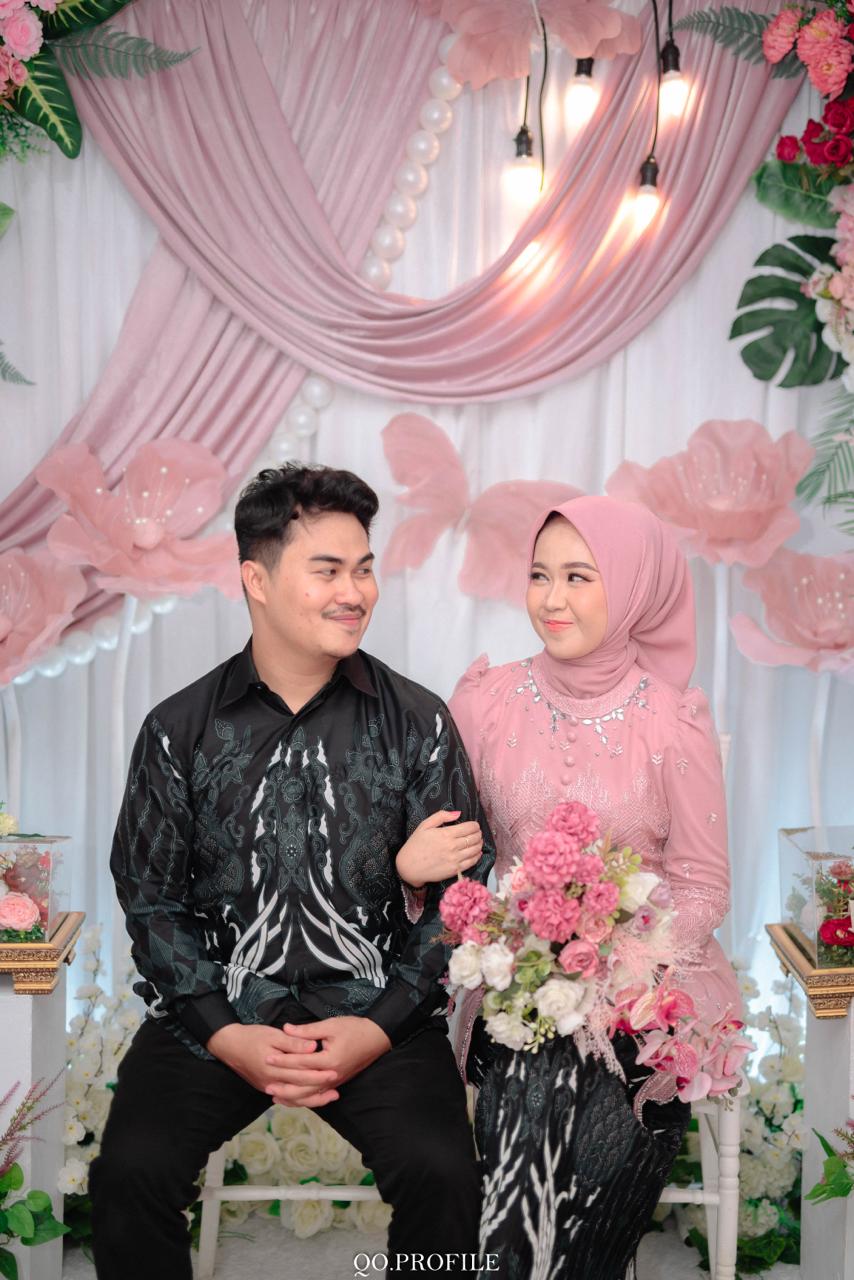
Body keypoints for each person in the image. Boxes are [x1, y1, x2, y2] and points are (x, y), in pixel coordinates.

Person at [91, 464, 494, 1279]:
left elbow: (464, 899)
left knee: (445, 1176)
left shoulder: (418, 722)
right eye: (328, 570)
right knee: (129, 1175)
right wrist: (226, 1033)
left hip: (377, 1011)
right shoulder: (178, 729)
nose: (355, 592)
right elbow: (151, 900)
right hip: (219, 1010)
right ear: (257, 579)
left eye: (364, 569)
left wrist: (378, 1026)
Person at [396, 495, 741, 1280]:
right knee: (534, 1073)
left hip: (648, 991)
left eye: (579, 577)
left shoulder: (673, 721)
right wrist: (445, 894)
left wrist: (616, 966)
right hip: (516, 985)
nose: (551, 600)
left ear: (633, 586)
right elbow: (454, 863)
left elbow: (704, 885)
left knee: (589, 1125)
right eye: (540, 575)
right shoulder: (485, 703)